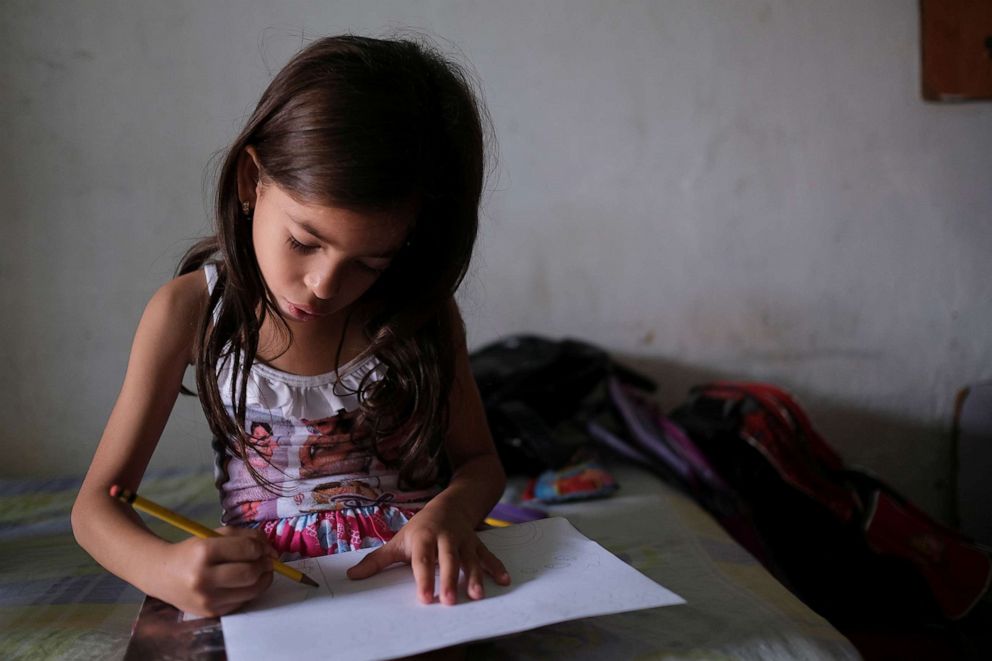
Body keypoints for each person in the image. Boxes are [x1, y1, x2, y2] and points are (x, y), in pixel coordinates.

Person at [71, 34, 510, 618]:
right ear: (252, 182)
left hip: (417, 596)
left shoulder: (419, 314)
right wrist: (165, 570)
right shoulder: (191, 313)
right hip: (277, 603)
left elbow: (481, 464)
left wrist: (451, 513)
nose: (325, 285)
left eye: (371, 262)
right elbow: (96, 509)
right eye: (304, 241)